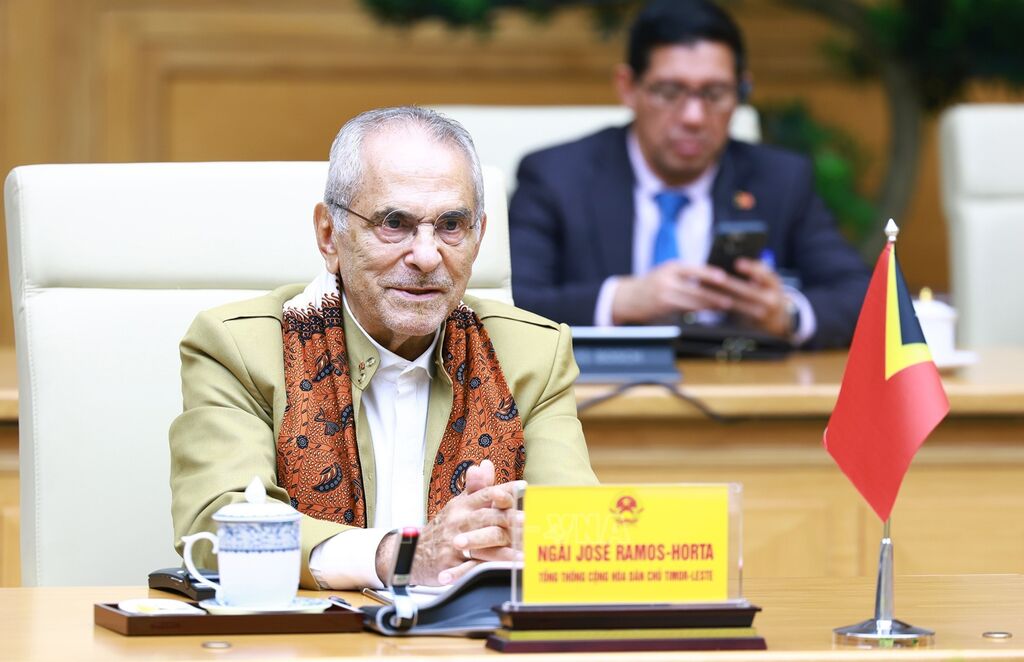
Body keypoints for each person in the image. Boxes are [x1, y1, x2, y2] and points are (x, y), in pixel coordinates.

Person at [170, 106, 597, 591]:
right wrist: (401, 556)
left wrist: (523, 540)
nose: (427, 256)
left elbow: (577, 529)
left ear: (479, 238)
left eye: (451, 225)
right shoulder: (241, 347)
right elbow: (219, 525)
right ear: (329, 235)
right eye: (394, 223)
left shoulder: (532, 354)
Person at [508, 0, 869, 349]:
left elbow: (866, 296)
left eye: (715, 93)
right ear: (628, 87)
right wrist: (618, 299)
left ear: (741, 90)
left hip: (740, 381)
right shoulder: (557, 177)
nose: (693, 117)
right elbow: (507, 304)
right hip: (601, 385)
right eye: (669, 92)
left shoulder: (781, 180)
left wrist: (786, 314)